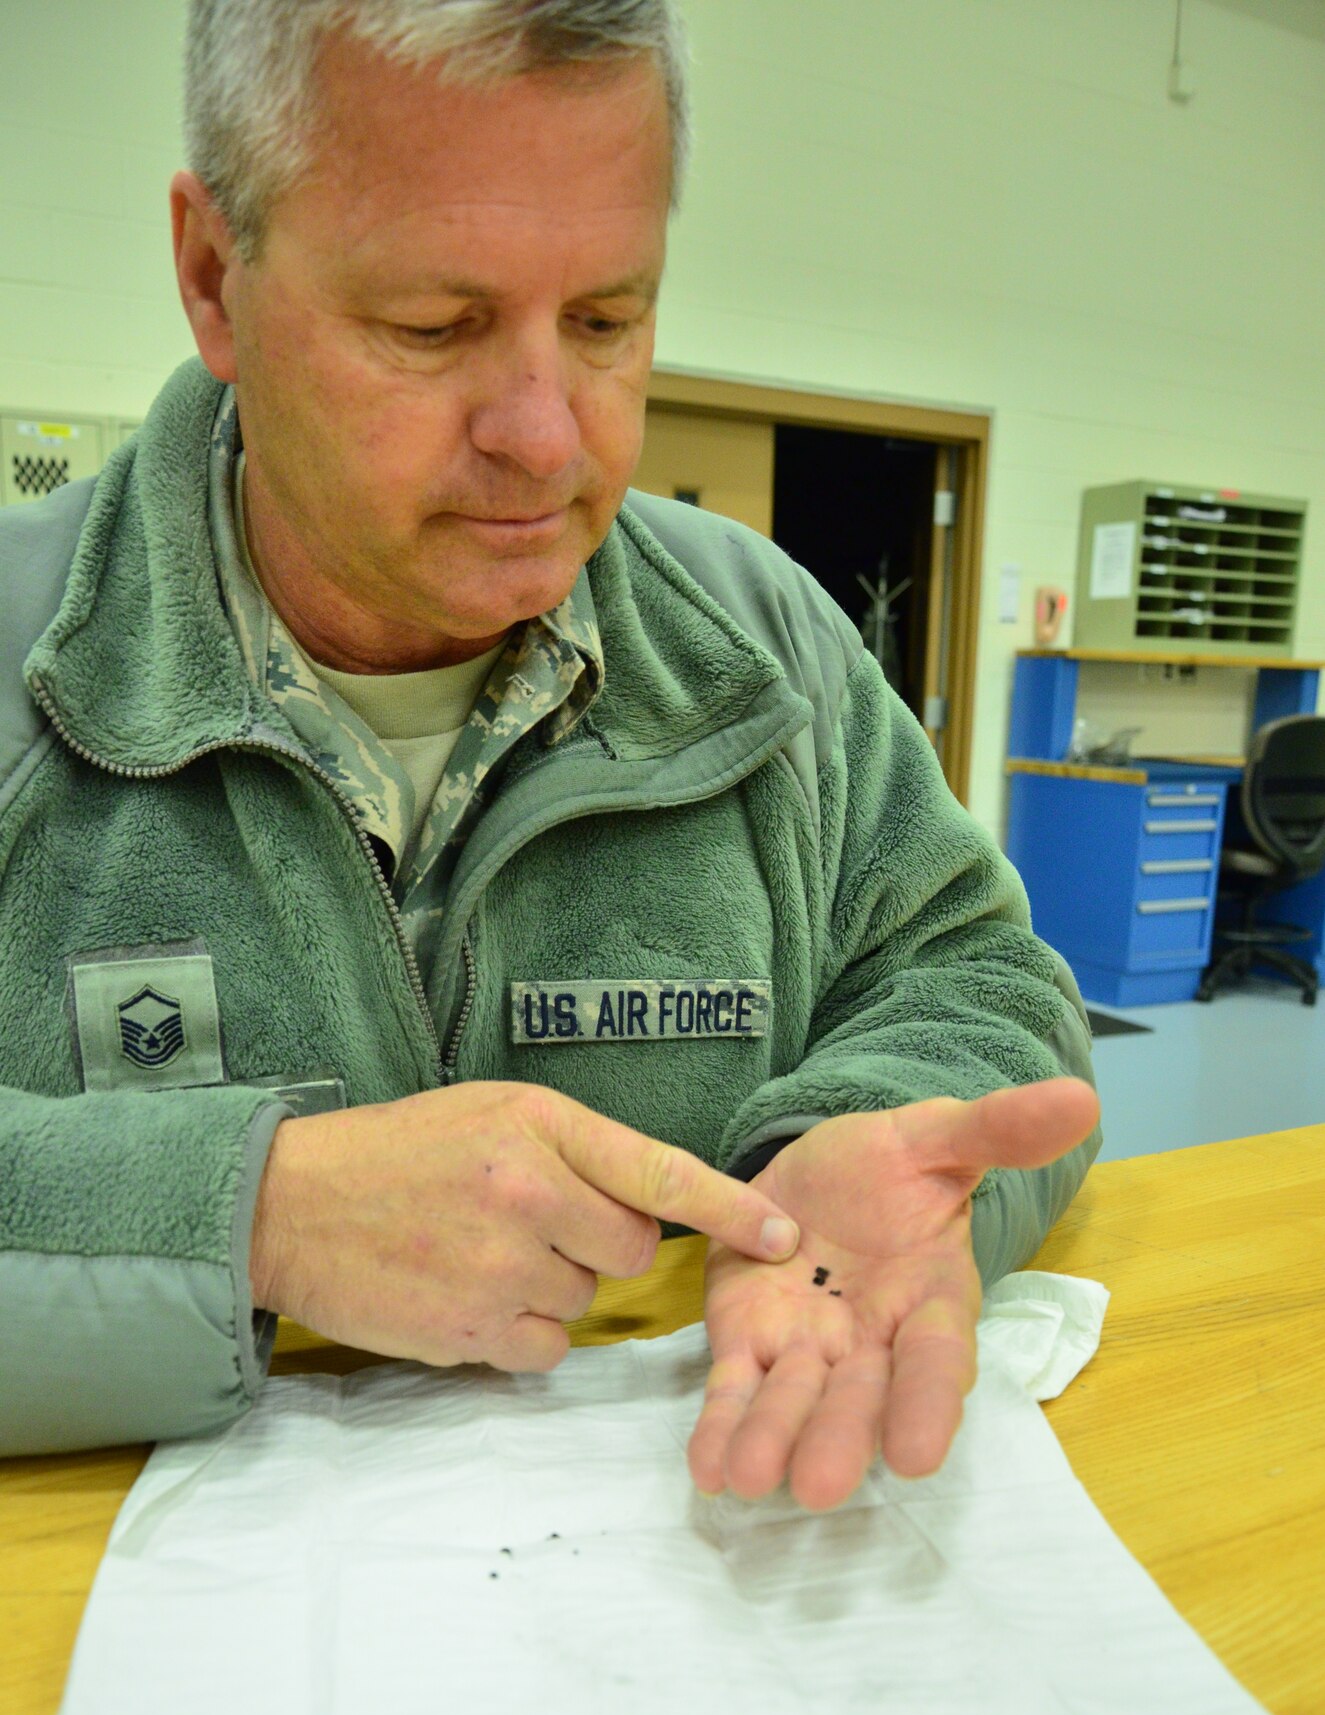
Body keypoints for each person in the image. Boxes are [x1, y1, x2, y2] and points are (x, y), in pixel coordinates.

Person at [0, 0, 1100, 1505]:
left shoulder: (759, 641)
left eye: (605, 321)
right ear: (214, 278)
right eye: (431, 327)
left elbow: (972, 976)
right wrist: (249, 1210)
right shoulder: (25, 657)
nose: (543, 435)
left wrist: (851, 1142)